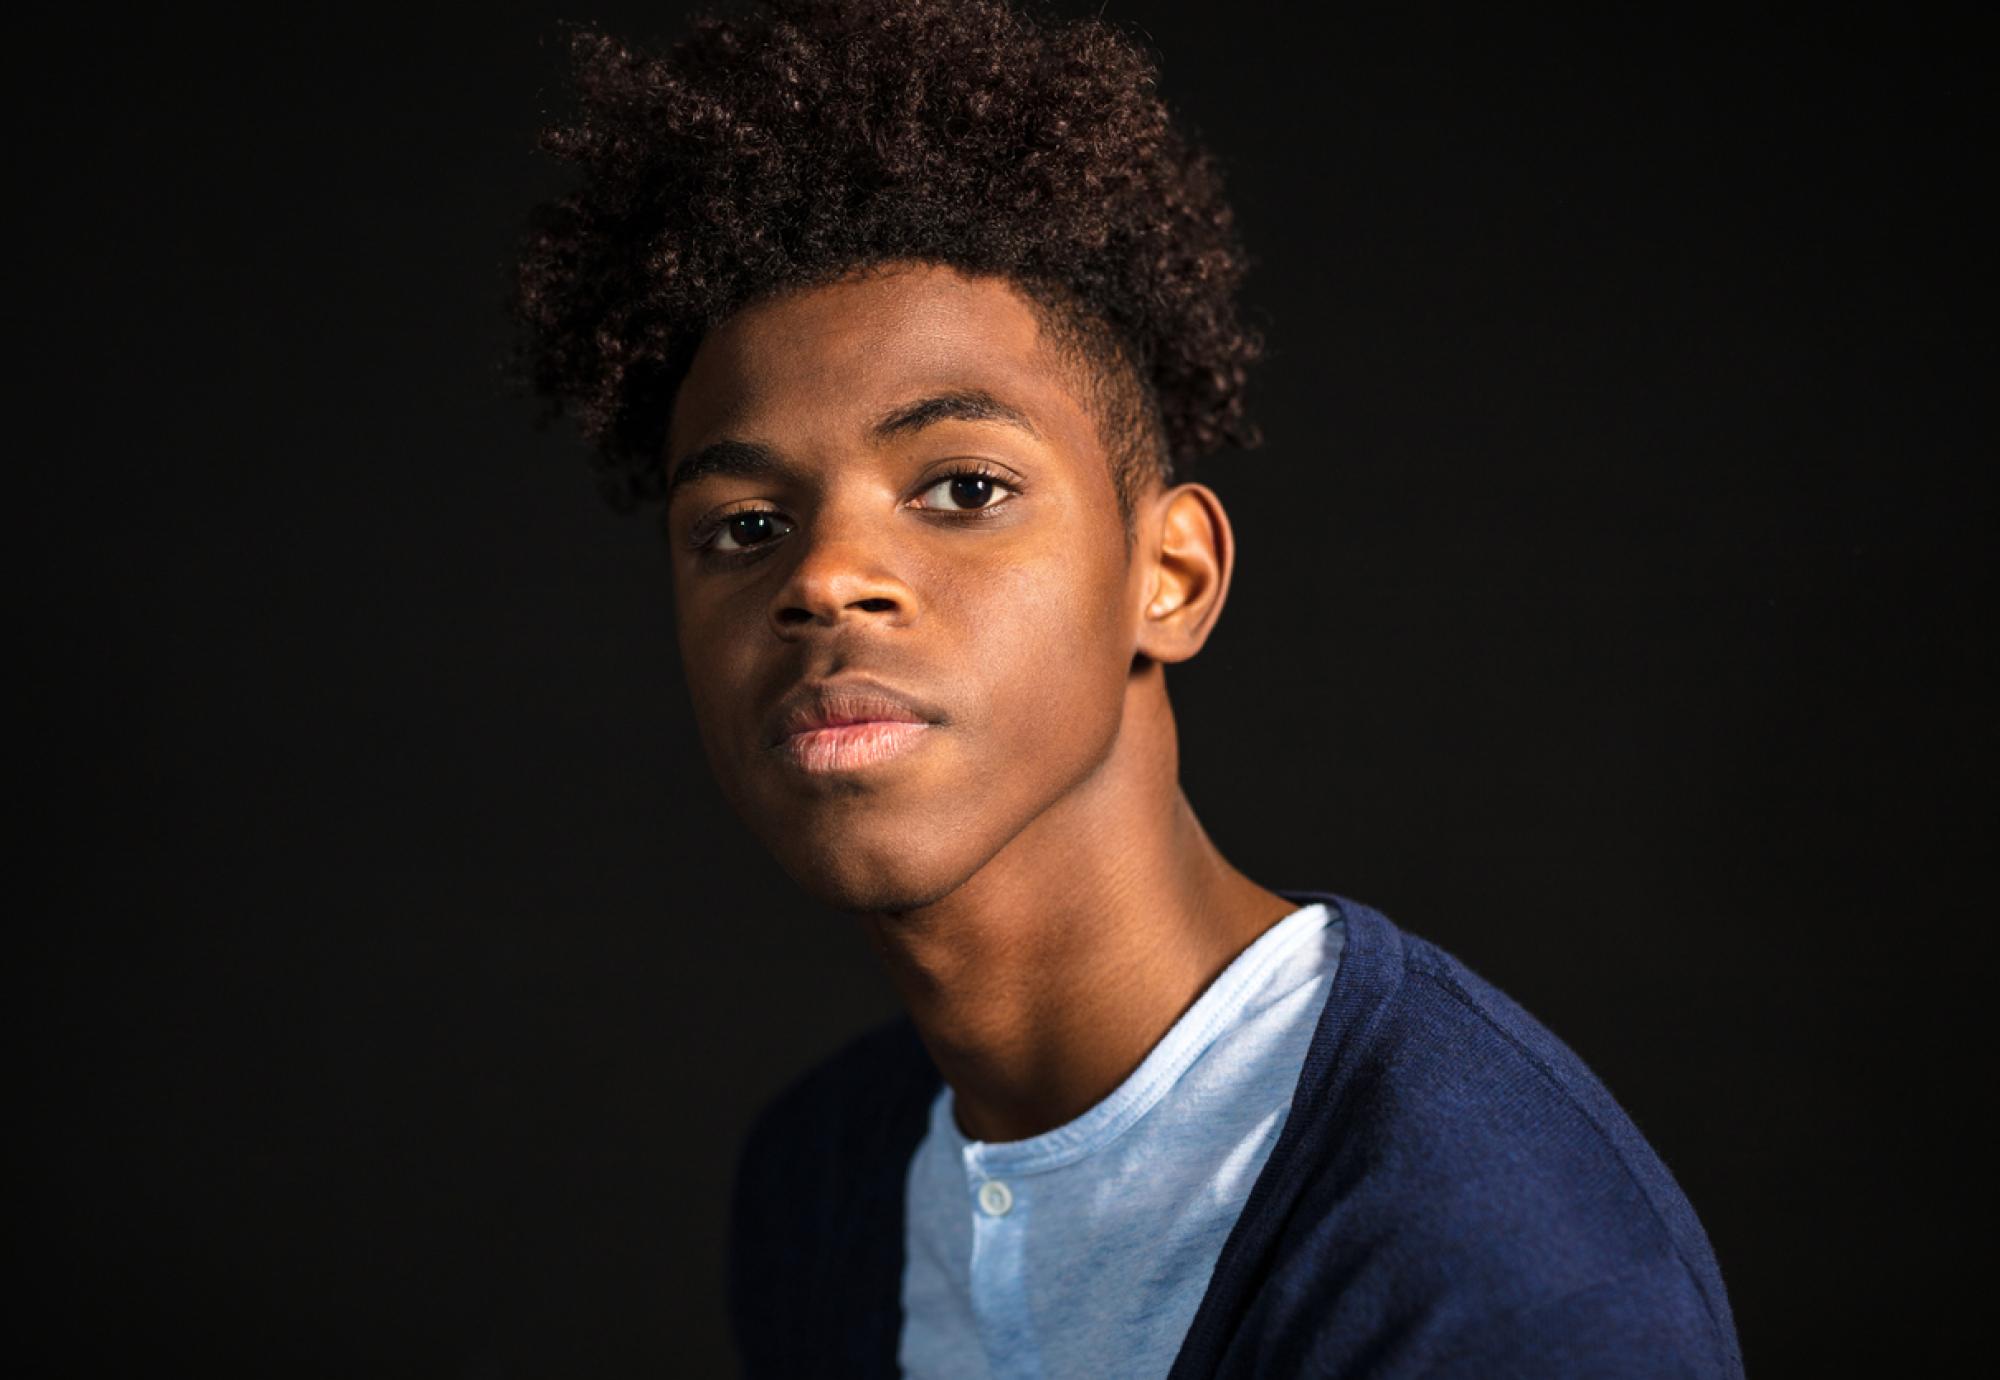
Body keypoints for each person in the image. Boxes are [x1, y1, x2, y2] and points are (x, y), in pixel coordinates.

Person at [510, 1, 1745, 1374]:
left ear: (1170, 576)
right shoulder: (822, 1183)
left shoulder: (1490, 1259)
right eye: (745, 526)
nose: (825, 578)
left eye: (963, 488)